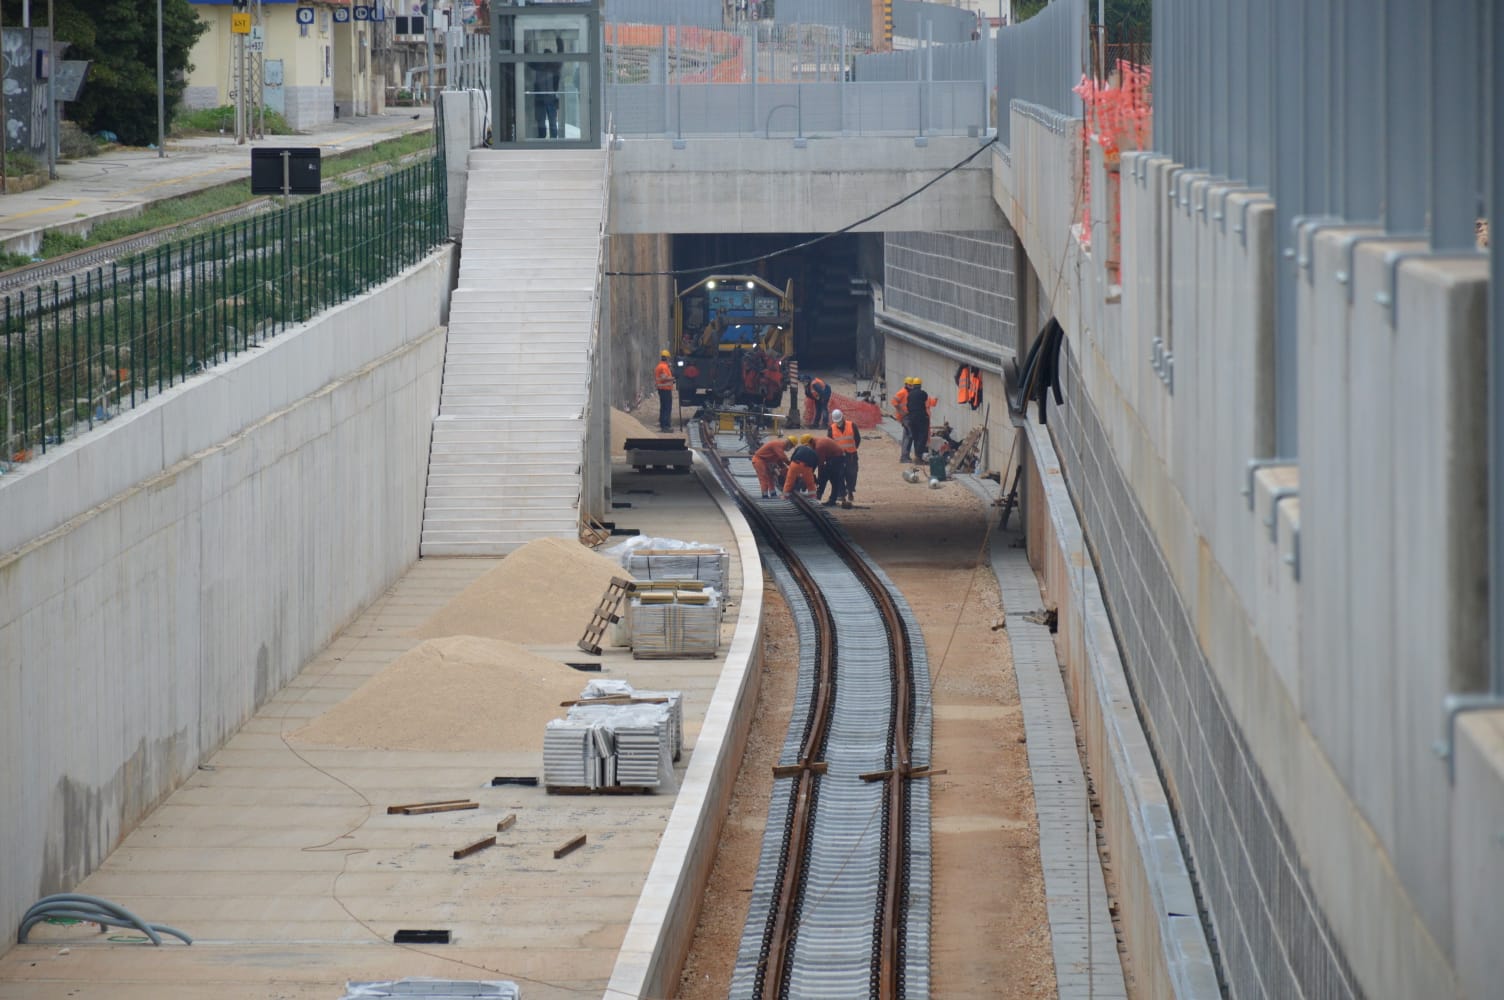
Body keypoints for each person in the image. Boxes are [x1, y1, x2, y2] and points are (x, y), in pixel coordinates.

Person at [827, 407, 861, 508]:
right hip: (838, 456)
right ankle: (842, 494)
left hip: (851, 455)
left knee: (852, 474)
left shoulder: (852, 425)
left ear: (843, 418)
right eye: (836, 421)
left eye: (839, 420)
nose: (838, 423)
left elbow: (857, 439)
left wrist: (853, 449)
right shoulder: (831, 428)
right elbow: (830, 442)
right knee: (839, 475)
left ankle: (850, 490)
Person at [533, 47, 561, 138]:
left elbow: (556, 84)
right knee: (541, 121)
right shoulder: (539, 68)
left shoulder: (554, 69)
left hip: (550, 99)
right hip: (541, 98)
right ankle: (542, 138)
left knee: (552, 121)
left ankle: (553, 140)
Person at [905, 378, 935, 462]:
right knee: (922, 436)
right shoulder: (923, 393)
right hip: (921, 417)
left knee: (915, 436)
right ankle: (919, 455)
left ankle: (917, 455)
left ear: (913, 385)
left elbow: (908, 406)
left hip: (912, 418)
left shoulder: (910, 394)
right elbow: (925, 399)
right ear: (920, 385)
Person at [811, 435, 847, 506]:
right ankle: (832, 500)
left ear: (810, 443)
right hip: (838, 457)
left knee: (825, 478)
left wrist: (818, 477)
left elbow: (820, 464)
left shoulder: (819, 447)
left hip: (836, 458)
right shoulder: (818, 440)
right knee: (834, 480)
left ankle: (818, 498)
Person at [893, 376, 915, 462]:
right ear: (906, 384)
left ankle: (906, 456)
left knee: (908, 436)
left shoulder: (909, 393)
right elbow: (894, 402)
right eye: (910, 385)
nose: (912, 387)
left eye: (912, 385)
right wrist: (901, 412)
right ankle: (904, 457)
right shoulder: (902, 392)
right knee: (908, 436)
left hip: (908, 416)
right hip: (905, 417)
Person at [653, 350, 675, 432]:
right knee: (667, 408)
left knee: (663, 408)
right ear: (666, 358)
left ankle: (663, 424)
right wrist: (674, 378)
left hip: (662, 389)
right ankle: (666, 426)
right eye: (668, 358)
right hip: (665, 389)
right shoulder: (664, 367)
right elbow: (664, 377)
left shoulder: (660, 366)